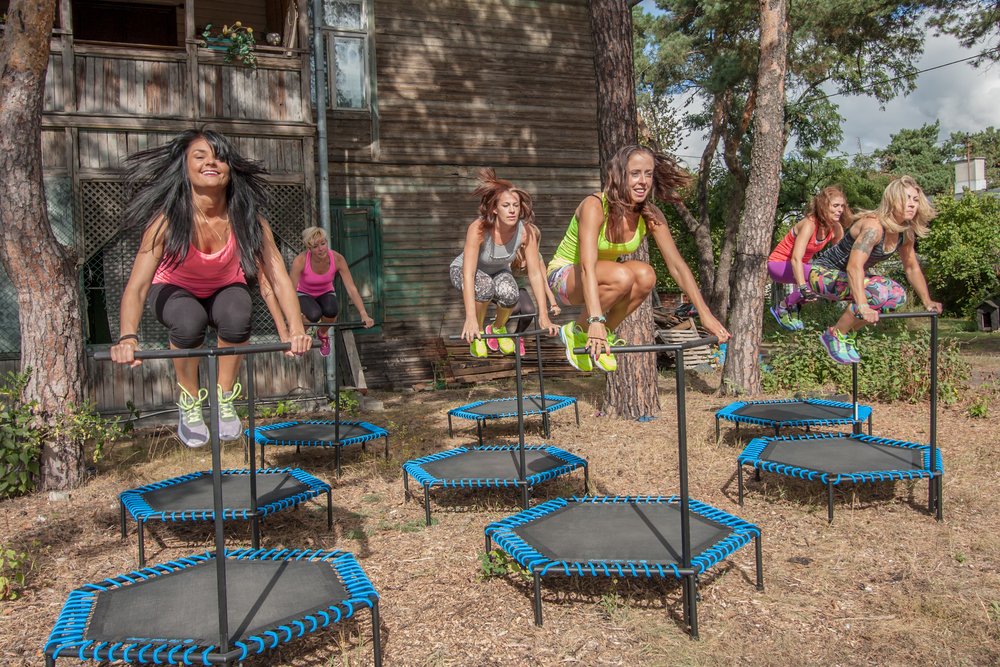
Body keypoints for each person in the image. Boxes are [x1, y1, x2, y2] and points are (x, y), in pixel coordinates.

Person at [109, 129, 312, 447]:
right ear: (185, 167)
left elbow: (279, 279)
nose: (210, 162)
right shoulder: (165, 221)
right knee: (189, 320)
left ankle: (224, 397)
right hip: (173, 289)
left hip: (224, 289)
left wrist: (296, 330)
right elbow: (137, 286)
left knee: (237, 313)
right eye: (200, 156)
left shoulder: (250, 221)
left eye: (219, 157)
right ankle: (189, 400)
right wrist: (127, 337)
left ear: (230, 169)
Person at [546, 145, 730, 372]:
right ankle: (586, 328)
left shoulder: (650, 215)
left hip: (603, 277)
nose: (643, 181)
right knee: (622, 275)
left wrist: (705, 314)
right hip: (565, 278)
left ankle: (588, 333)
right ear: (619, 176)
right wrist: (595, 319)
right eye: (635, 174)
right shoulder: (594, 206)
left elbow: (677, 266)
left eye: (648, 174)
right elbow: (587, 267)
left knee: (646, 275)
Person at [809, 175, 942, 364]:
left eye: (915, 199)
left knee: (897, 296)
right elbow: (854, 267)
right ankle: (834, 335)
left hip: (845, 278)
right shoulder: (874, 227)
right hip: (821, 274)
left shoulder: (905, 233)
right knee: (878, 291)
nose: (912, 204)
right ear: (892, 200)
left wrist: (927, 301)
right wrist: (862, 305)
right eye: (906, 198)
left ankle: (847, 333)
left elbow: (911, 267)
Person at [451, 169, 558, 357]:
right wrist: (470, 318)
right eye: (506, 205)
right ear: (494, 209)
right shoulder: (478, 229)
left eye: (516, 205)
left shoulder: (526, 232)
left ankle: (498, 328)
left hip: (497, 272)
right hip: (463, 271)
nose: (512, 210)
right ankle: (479, 332)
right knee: (484, 286)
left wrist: (544, 314)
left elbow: (535, 274)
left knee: (511, 293)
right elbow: (469, 274)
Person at [767, 186, 848, 331]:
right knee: (817, 276)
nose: (840, 210)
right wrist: (803, 287)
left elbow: (839, 257)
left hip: (799, 267)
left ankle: (793, 307)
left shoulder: (836, 228)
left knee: (823, 282)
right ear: (823, 206)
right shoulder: (809, 224)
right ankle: (782, 307)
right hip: (778, 264)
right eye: (836, 205)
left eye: (842, 206)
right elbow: (796, 259)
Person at [289, 226, 375, 356]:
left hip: (325, 292)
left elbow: (351, 288)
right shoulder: (300, 260)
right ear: (309, 248)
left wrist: (363, 314)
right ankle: (300, 336)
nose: (321, 249)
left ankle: (322, 334)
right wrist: (291, 318)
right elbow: (290, 291)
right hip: (304, 293)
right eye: (315, 246)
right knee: (314, 314)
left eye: (323, 243)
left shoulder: (337, 258)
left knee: (332, 310)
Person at [503, 222, 562, 357]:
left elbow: (543, 281)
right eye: (524, 241)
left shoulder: (537, 256)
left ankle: (518, 336)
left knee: (529, 311)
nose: (526, 245)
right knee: (515, 308)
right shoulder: (512, 252)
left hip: (519, 287)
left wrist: (553, 304)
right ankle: (497, 328)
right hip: (505, 286)